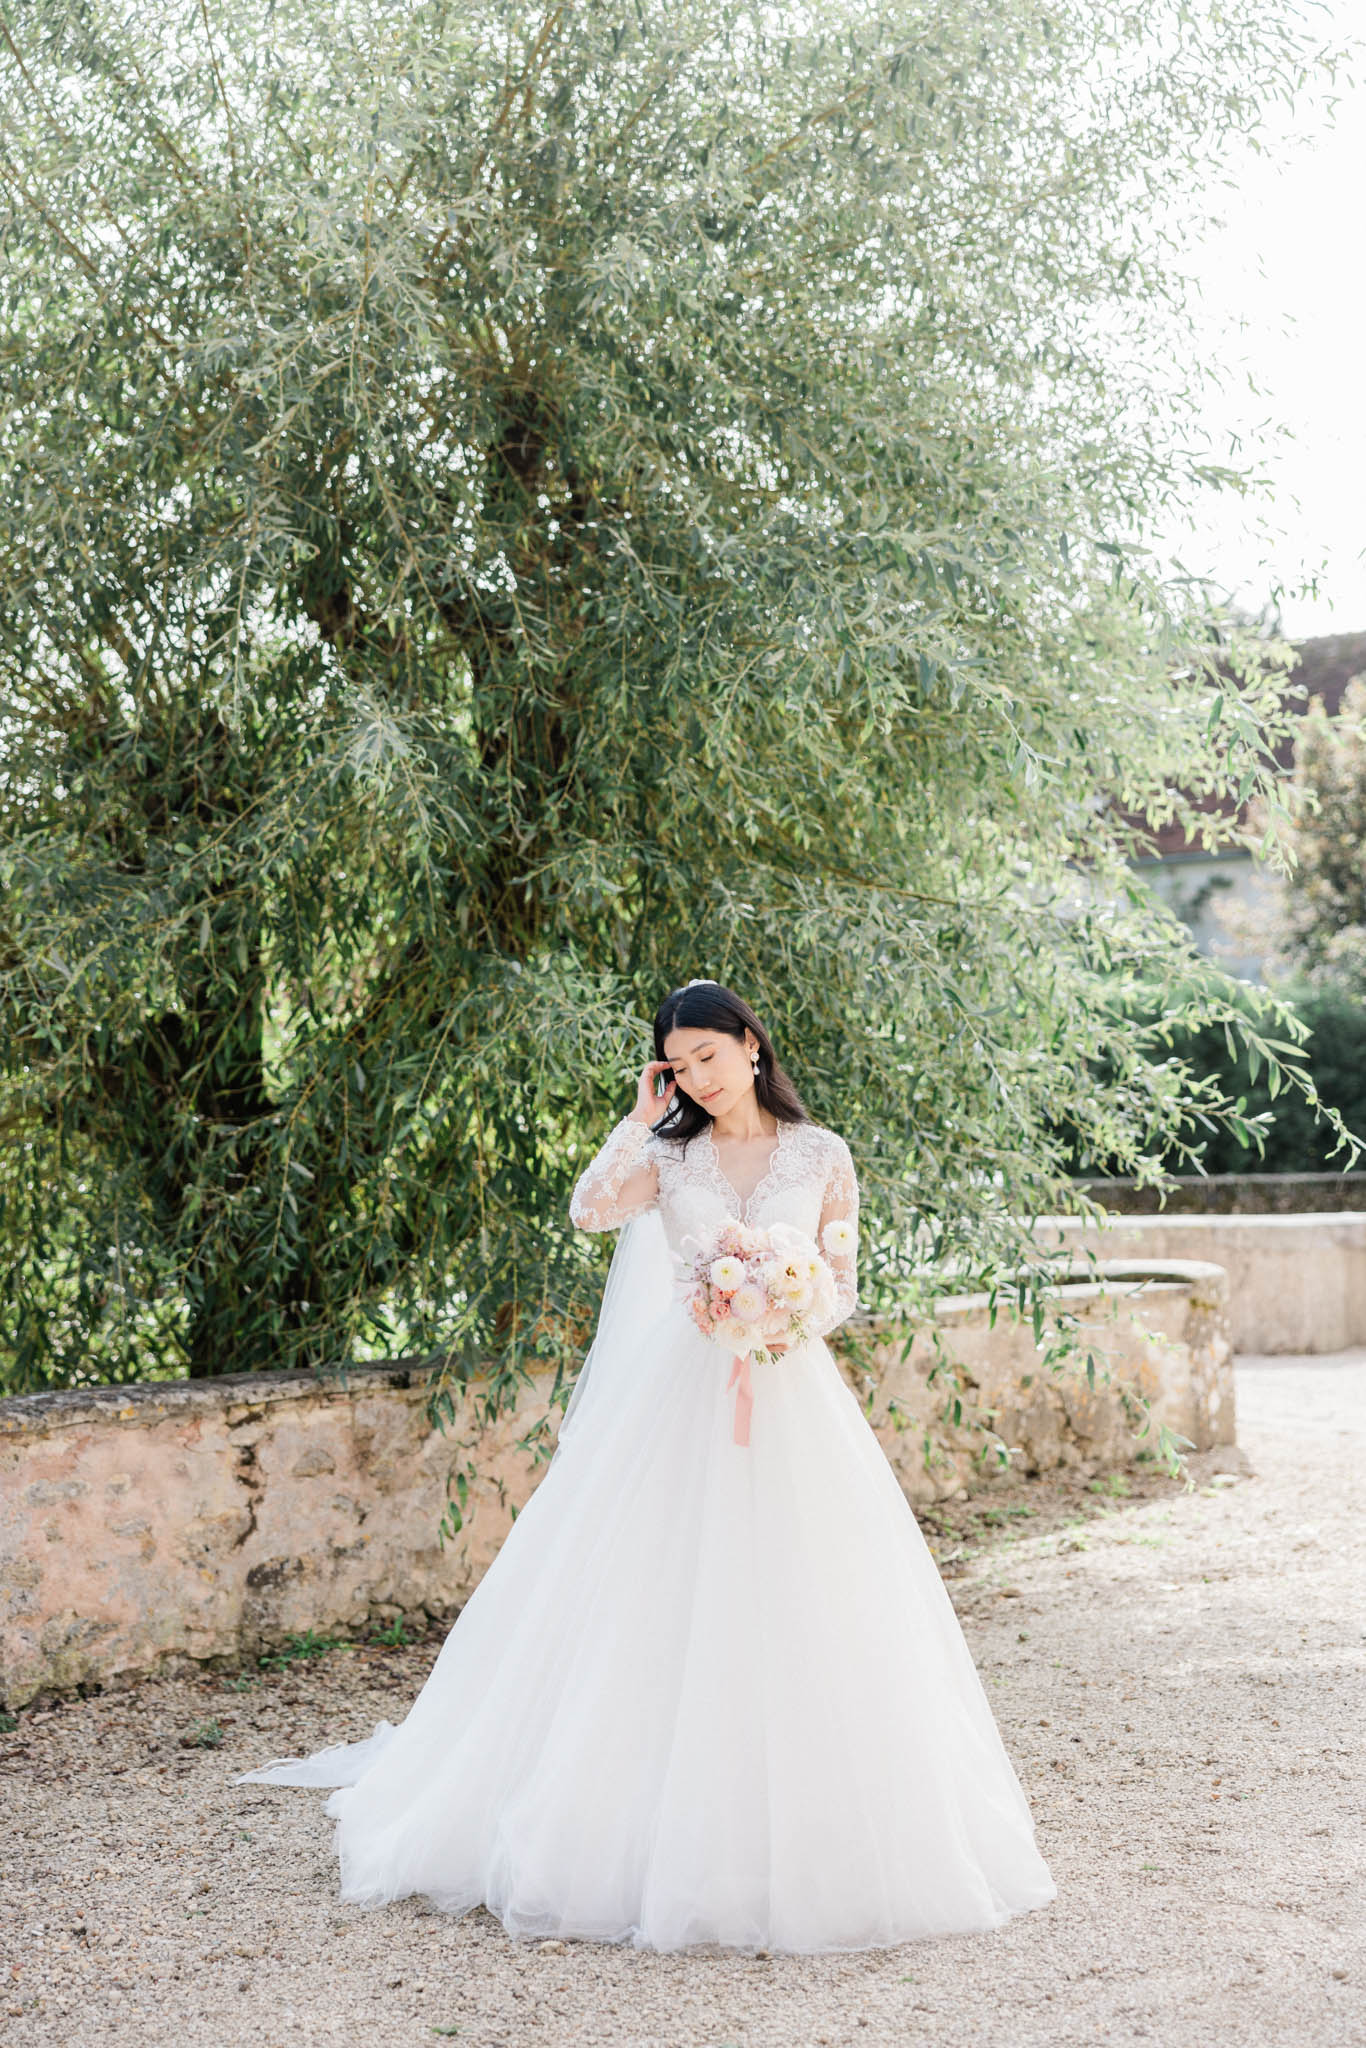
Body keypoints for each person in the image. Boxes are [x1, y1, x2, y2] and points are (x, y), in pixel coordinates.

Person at [236, 979, 1057, 1952]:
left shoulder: (820, 1152)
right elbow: (589, 1209)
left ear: (751, 1042)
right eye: (678, 1064)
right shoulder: (669, 1156)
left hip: (791, 1391)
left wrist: (781, 1306)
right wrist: (636, 1123)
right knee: (653, 1587)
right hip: (678, 1395)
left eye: (709, 1055)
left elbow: (839, 1282)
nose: (697, 1078)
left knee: (811, 1591)